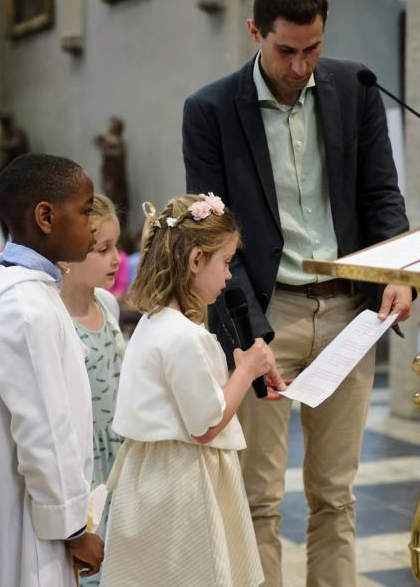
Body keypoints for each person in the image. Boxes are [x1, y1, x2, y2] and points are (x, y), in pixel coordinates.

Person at [181, 0, 411, 583]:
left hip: (346, 312)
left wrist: (397, 273)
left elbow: (382, 195)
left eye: (313, 49)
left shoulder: (354, 89)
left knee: (336, 495)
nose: (300, 66)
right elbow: (211, 235)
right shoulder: (210, 109)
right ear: (256, 33)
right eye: (287, 50)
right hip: (266, 311)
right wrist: (249, 335)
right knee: (258, 496)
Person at [102, 194, 284, 587]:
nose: (230, 276)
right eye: (225, 262)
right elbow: (206, 425)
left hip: (151, 473)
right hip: (183, 480)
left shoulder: (154, 323)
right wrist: (245, 369)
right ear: (196, 260)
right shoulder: (184, 335)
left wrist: (236, 372)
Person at [0, 154, 103, 587]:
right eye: (86, 209)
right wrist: (73, 529)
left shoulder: (23, 291)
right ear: (46, 216)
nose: (93, 223)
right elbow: (44, 431)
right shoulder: (25, 307)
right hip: (27, 515)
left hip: (20, 500)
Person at [58, 193, 125, 586]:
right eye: (102, 249)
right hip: (85, 462)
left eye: (116, 246)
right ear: (68, 257)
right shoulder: (56, 318)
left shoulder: (108, 304)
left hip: (120, 452)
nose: (116, 259)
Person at [94, 116, 129, 229]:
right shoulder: (110, 139)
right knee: (110, 197)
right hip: (109, 173)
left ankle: (120, 224)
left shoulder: (118, 142)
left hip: (116, 175)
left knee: (117, 199)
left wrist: (106, 147)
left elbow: (117, 152)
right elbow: (97, 140)